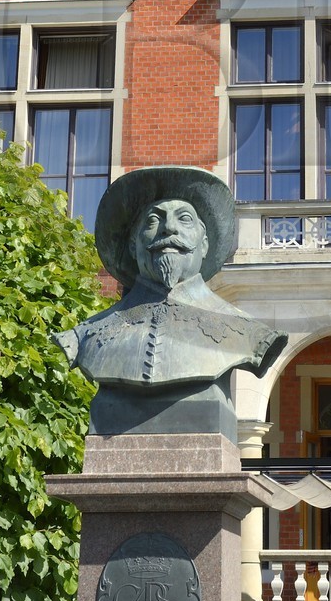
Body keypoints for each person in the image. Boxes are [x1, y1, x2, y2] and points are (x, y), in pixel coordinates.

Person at [52, 166, 286, 440]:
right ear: (132, 245)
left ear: (205, 244)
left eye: (184, 219)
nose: (169, 228)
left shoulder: (248, 333)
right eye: (153, 221)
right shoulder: (84, 335)